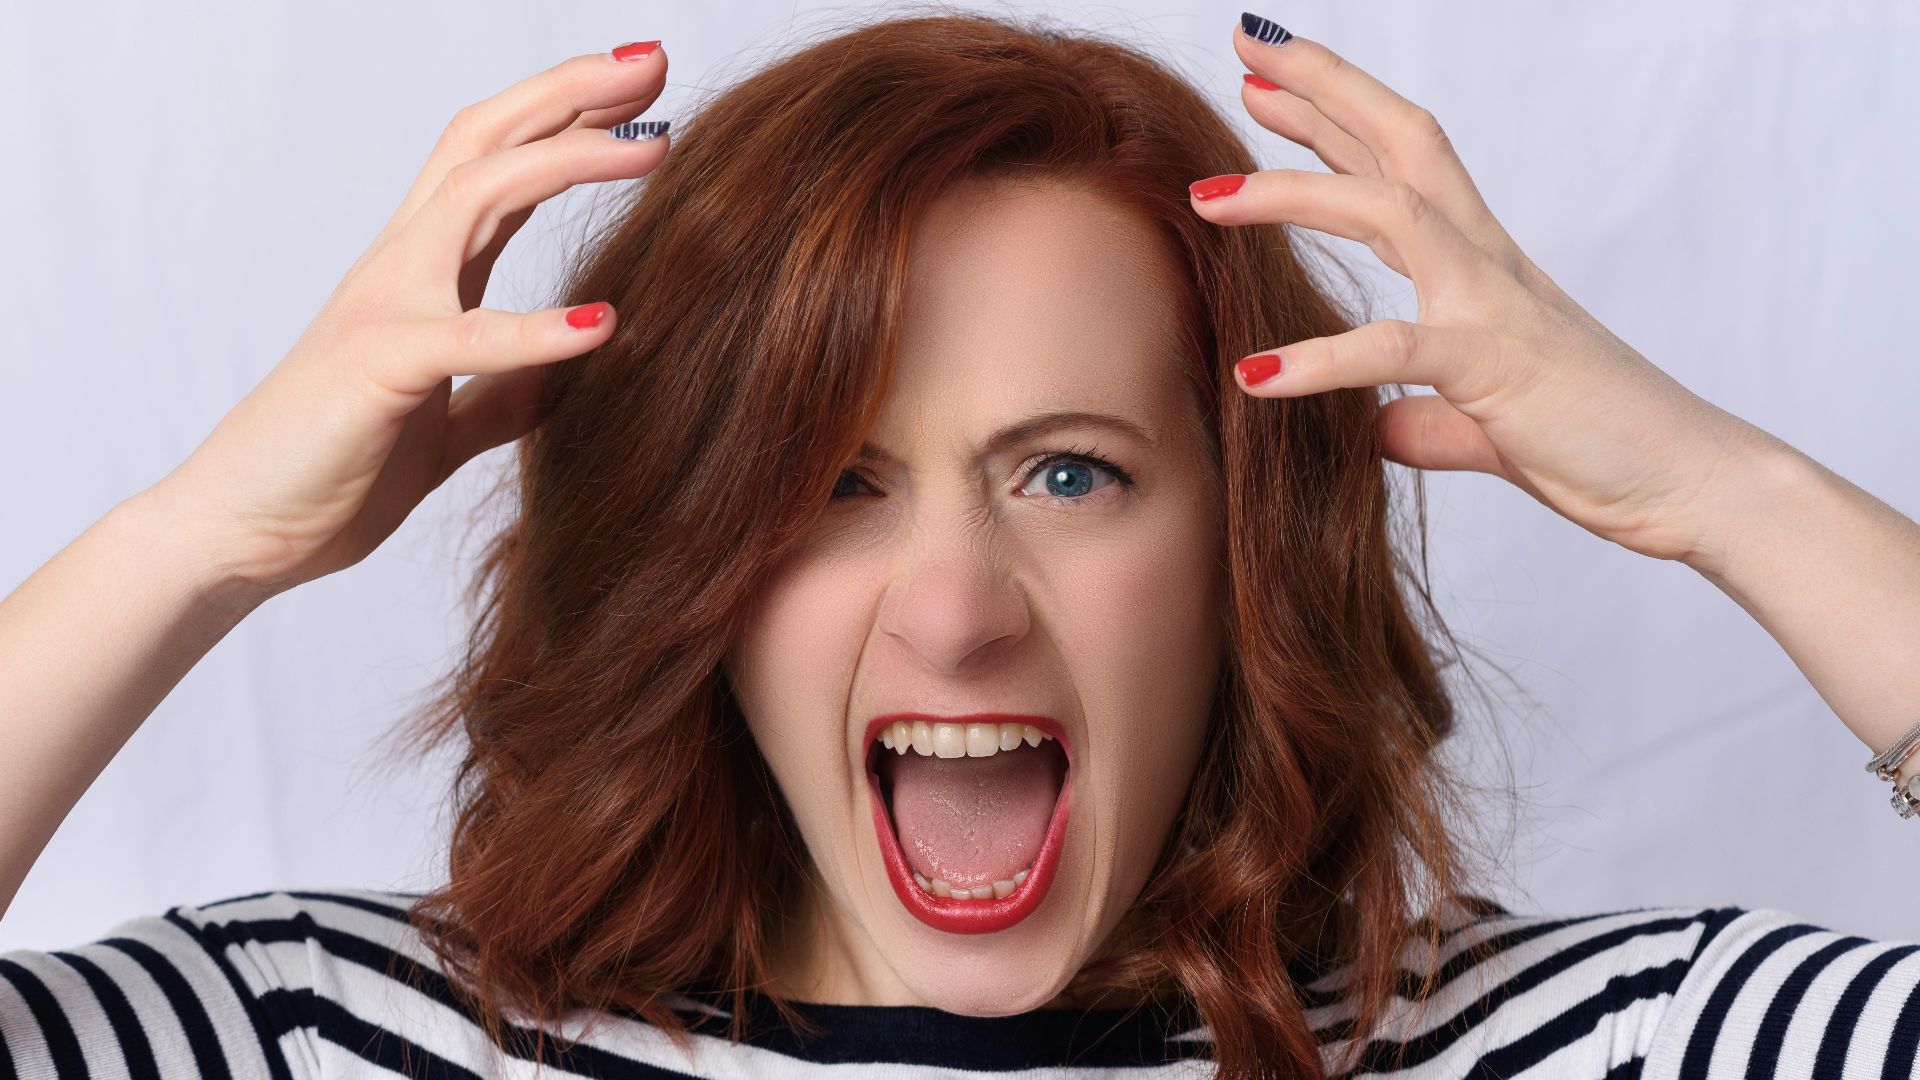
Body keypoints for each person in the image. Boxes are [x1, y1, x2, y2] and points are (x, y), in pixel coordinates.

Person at [2, 10, 1916, 1079]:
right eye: (829, 483)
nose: (954, 610)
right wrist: (201, 540)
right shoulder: (318, 1036)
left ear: (1249, 539)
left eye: (1069, 473)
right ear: (690, 564)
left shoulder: (1608, 1048)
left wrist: (1727, 495)